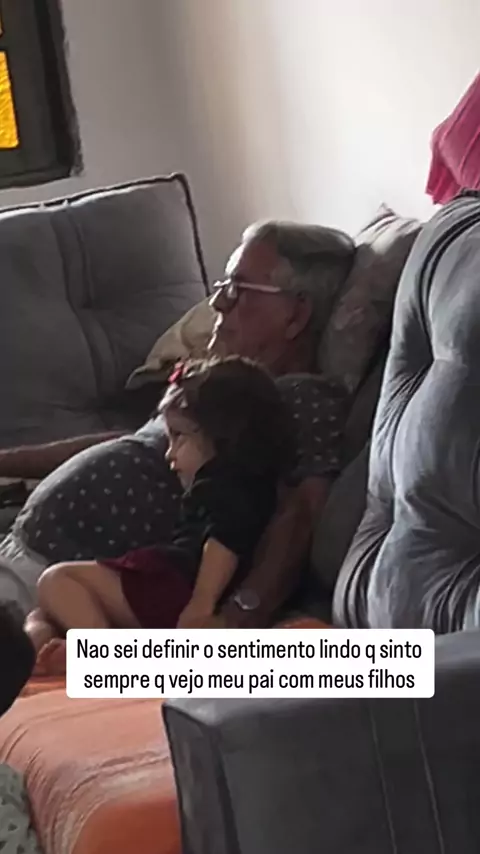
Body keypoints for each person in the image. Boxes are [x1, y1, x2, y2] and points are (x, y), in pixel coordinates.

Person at [0, 221, 356, 627]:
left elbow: (301, 512)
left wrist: (235, 616)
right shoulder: (218, 388)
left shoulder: (301, 396)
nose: (217, 303)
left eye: (238, 289)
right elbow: (132, 443)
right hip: (32, 547)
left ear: (296, 314)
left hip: (76, 575)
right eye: (222, 286)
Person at [26, 356, 296, 667]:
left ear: (224, 434)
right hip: (171, 587)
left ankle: (113, 661)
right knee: (44, 615)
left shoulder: (224, 484)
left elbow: (225, 540)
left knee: (57, 580)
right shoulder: (244, 486)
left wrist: (202, 603)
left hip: (175, 588)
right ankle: (55, 657)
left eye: (179, 436)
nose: (169, 453)